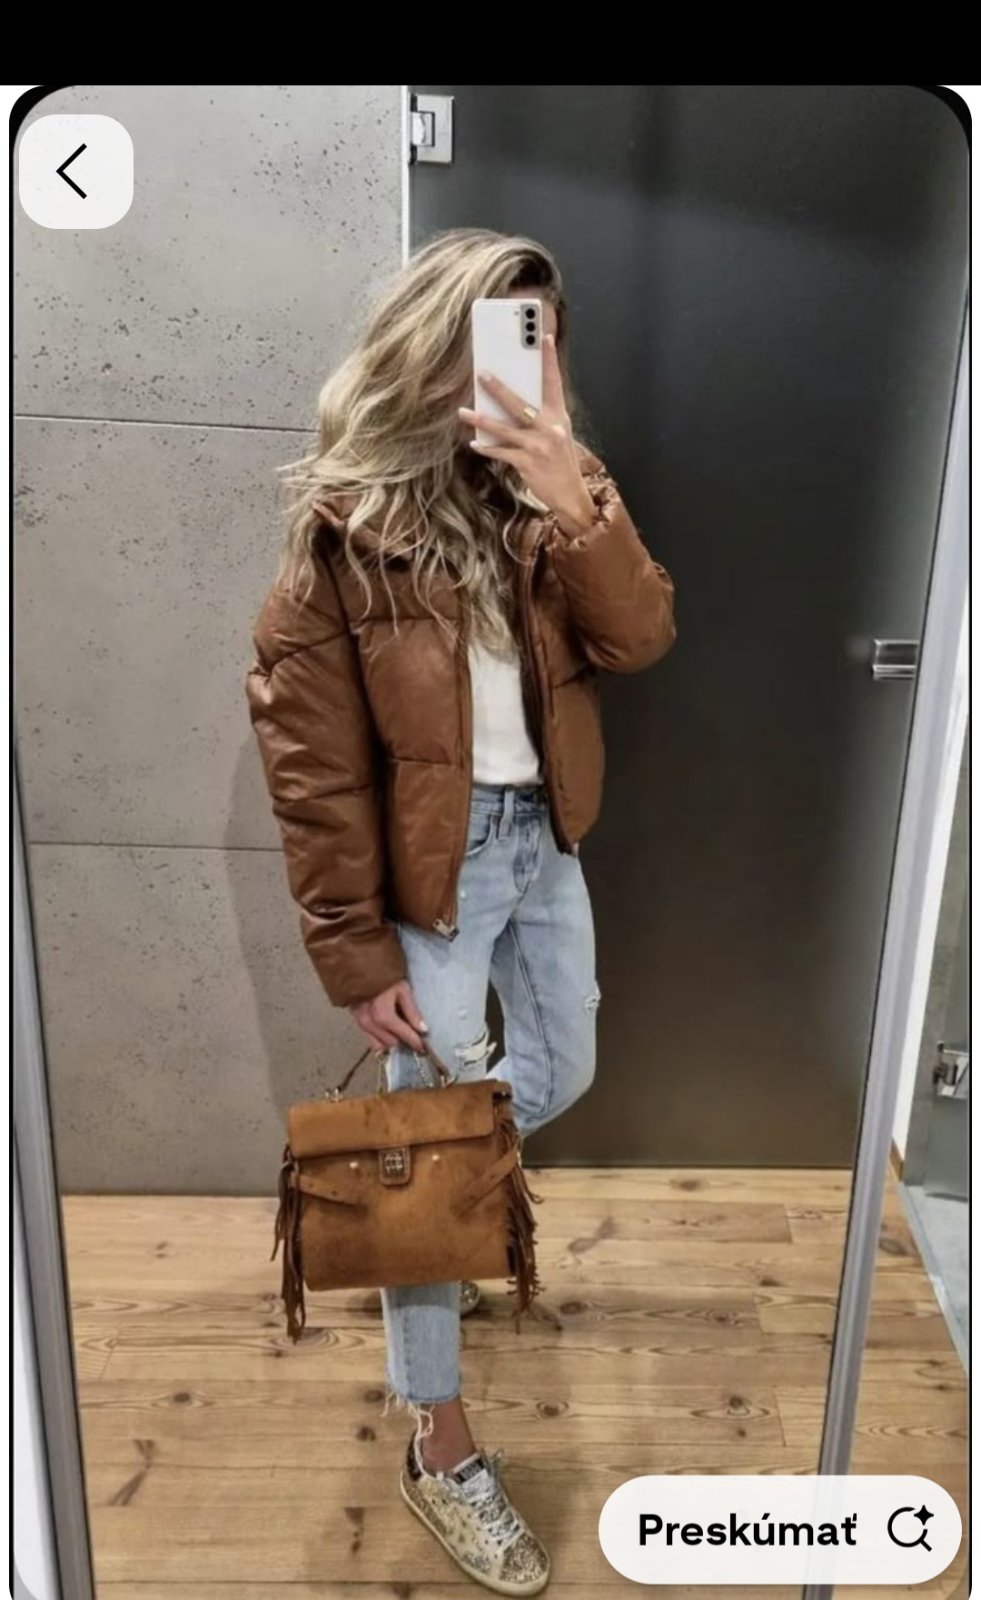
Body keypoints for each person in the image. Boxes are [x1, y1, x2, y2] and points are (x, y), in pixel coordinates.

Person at [246, 227, 676, 1595]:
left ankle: (437, 1208)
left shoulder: (558, 492)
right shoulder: (344, 525)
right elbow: (310, 764)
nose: (522, 367)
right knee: (423, 1149)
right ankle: (438, 1444)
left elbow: (639, 638)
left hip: (544, 838)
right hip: (431, 870)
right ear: (433, 349)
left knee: (551, 1075)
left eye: (538, 340)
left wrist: (574, 498)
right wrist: (351, 947)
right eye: (497, 336)